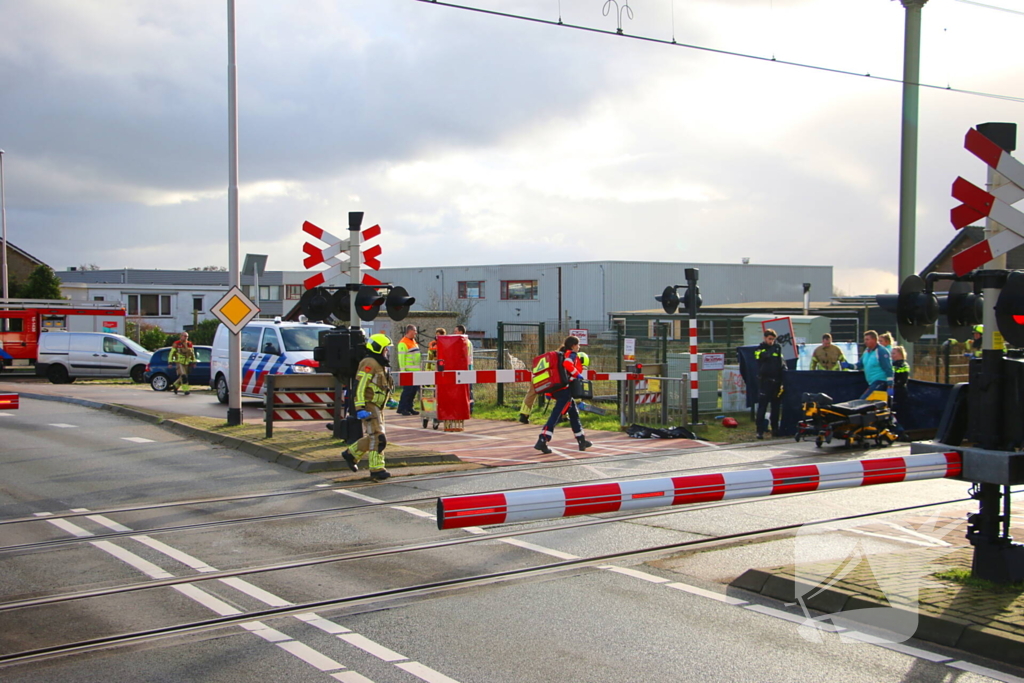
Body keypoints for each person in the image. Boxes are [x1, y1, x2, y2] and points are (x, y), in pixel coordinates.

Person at [345, 333, 395, 482]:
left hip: (377, 406)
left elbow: (382, 386)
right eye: (385, 348)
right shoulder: (369, 363)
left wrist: (390, 400)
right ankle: (377, 469)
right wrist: (360, 408)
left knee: (374, 436)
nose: (387, 351)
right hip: (369, 405)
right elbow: (360, 386)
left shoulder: (380, 364)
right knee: (379, 438)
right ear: (378, 348)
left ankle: (351, 454)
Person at [534, 336, 592, 454]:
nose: (579, 347)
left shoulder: (562, 354)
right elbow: (567, 364)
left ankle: (581, 440)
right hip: (565, 391)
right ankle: (543, 439)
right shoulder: (571, 355)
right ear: (573, 345)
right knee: (556, 415)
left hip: (559, 389)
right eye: (578, 345)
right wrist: (577, 375)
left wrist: (549, 392)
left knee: (574, 414)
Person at [754, 328, 786, 439]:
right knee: (762, 407)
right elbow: (758, 358)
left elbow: (781, 362)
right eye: (769, 339)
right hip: (765, 382)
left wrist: (784, 373)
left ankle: (775, 429)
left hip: (776, 382)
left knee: (775, 407)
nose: (771, 341)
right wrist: (768, 352)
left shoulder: (777, 348)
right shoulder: (760, 348)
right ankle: (759, 430)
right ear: (765, 338)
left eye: (773, 339)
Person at [857, 330, 893, 398]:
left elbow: (888, 368)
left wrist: (890, 385)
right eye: (865, 340)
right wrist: (848, 365)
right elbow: (859, 365)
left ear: (874, 340)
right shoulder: (867, 351)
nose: (865, 342)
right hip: (872, 383)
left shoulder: (881, 351)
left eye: (867, 339)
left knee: (865, 399)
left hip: (880, 382)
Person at [396, 324, 421, 415]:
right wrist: (403, 371)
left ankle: (409, 407)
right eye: (414, 331)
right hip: (408, 372)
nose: (416, 333)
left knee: (413, 391)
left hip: (415, 371)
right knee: (407, 391)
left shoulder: (413, 341)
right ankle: (403, 408)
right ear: (410, 331)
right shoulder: (403, 343)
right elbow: (401, 358)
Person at [168, 331, 197, 395]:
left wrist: (194, 361)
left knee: (184, 376)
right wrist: (170, 362)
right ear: (181, 336)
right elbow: (171, 353)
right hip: (179, 362)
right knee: (184, 376)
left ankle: (175, 385)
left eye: (187, 336)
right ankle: (186, 390)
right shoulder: (176, 343)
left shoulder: (189, 344)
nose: (186, 337)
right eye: (185, 336)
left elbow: (192, 353)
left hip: (187, 362)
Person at [455, 324, 474, 413]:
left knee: (467, 388)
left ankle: (469, 408)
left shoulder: (464, 341)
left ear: (460, 332)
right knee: (467, 388)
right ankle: (467, 407)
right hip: (466, 366)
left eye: (456, 331)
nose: (454, 333)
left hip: (466, 367)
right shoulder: (466, 341)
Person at [891, 344, 910, 418]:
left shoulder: (904, 365)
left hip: (899, 390)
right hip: (892, 389)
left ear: (900, 354)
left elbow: (902, 379)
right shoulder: (892, 364)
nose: (892, 355)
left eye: (893, 353)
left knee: (899, 410)